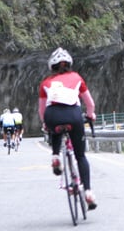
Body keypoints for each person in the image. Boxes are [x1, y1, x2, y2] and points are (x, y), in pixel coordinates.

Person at [38, 47, 98, 210]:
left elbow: (42, 110)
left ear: (52, 67)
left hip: (52, 115)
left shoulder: (45, 83)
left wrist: (45, 123)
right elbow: (90, 103)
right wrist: (91, 115)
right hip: (73, 115)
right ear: (69, 64)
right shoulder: (77, 78)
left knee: (55, 127)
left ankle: (56, 156)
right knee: (80, 156)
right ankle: (88, 192)